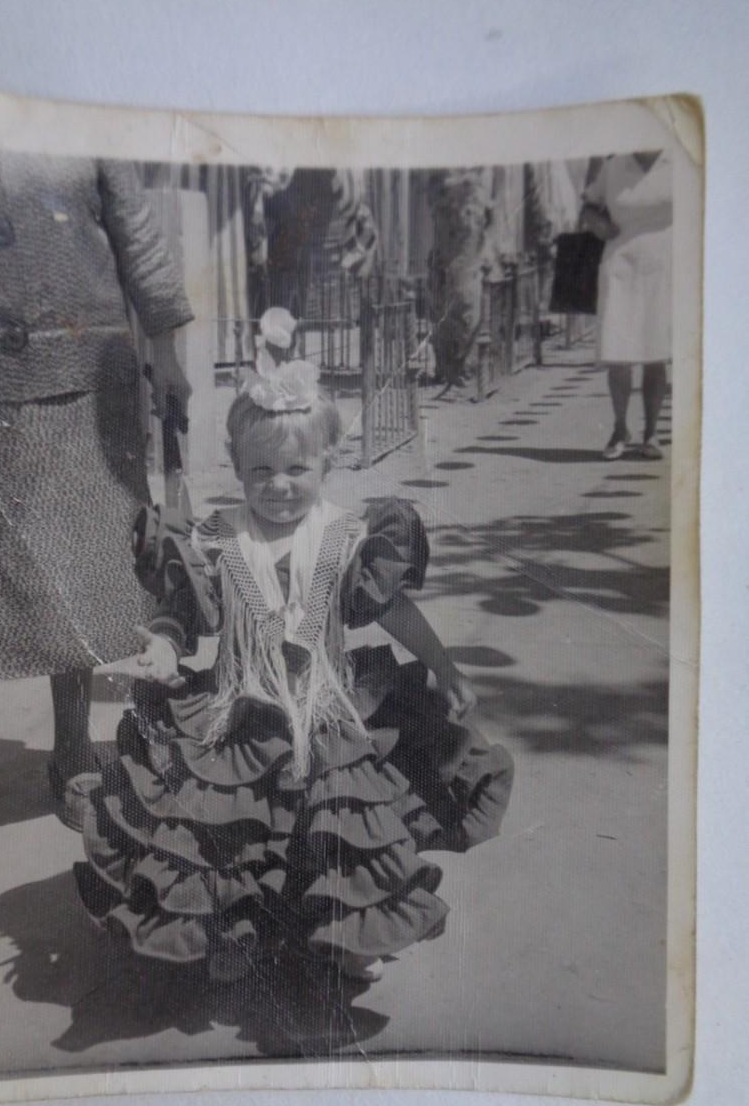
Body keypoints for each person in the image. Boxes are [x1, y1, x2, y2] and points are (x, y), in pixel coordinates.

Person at [74, 309, 513, 988]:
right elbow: (180, 610)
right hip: (239, 711)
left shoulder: (344, 537)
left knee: (339, 827)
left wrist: (445, 668)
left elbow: (394, 610)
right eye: (261, 471)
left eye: (296, 470)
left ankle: (350, 934)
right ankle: (231, 928)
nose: (279, 486)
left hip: (327, 709)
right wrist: (163, 647)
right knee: (230, 830)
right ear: (238, 467)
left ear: (326, 463)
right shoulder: (217, 539)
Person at [0, 153, 193, 828]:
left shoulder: (88, 122)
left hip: (87, 375)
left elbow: (137, 232)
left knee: (88, 575)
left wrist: (166, 354)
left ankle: (73, 746)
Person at [580, 152, 673, 461]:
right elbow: (589, 205)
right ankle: (620, 428)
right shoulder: (614, 165)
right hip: (620, 265)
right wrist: (598, 224)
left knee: (656, 353)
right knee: (618, 353)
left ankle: (651, 433)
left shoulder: (678, 163)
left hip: (666, 265)